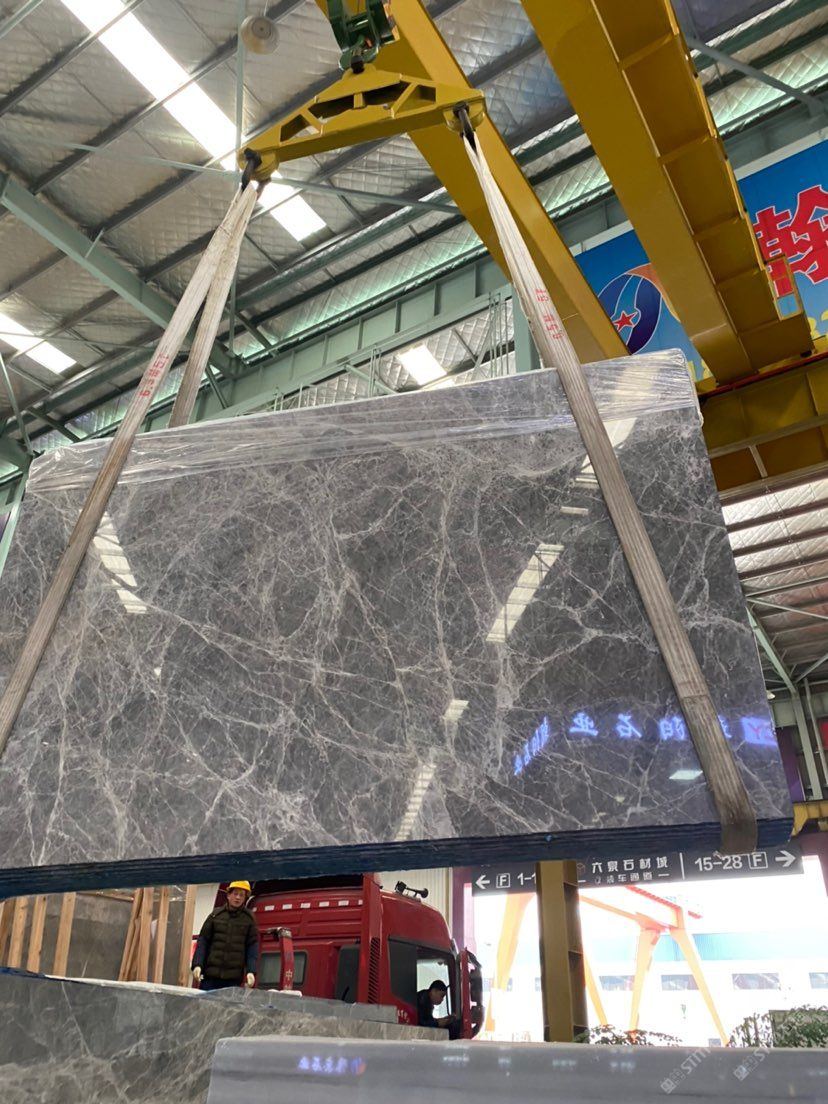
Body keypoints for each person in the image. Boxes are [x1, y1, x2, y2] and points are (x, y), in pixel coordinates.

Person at [191, 880, 259, 991]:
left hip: (233, 979)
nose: (238, 897)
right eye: (235, 894)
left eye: (241, 895)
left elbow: (252, 946)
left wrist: (251, 971)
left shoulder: (249, 919)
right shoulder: (215, 915)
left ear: (245, 898)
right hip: (210, 977)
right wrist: (197, 964)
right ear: (228, 895)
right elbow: (203, 941)